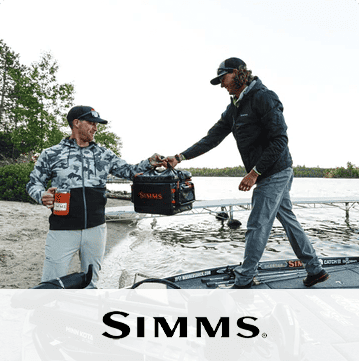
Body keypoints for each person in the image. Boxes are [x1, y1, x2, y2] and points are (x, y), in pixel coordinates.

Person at [165, 57, 329, 288]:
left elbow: (280, 139)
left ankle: (244, 279)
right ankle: (316, 270)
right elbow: (212, 138)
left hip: (275, 171)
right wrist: (180, 157)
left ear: (238, 73)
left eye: (223, 78)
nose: (222, 84)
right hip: (267, 173)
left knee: (257, 225)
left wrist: (254, 173)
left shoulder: (264, 97)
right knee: (288, 221)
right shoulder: (234, 108)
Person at [27, 105, 166, 288]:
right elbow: (33, 183)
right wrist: (41, 195)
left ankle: (87, 314)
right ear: (76, 123)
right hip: (62, 229)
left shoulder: (103, 153)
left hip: (96, 229)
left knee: (91, 283)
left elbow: (129, 171)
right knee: (51, 283)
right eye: (91, 123)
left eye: (96, 124)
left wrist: (150, 162)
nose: (96, 128)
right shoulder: (51, 154)